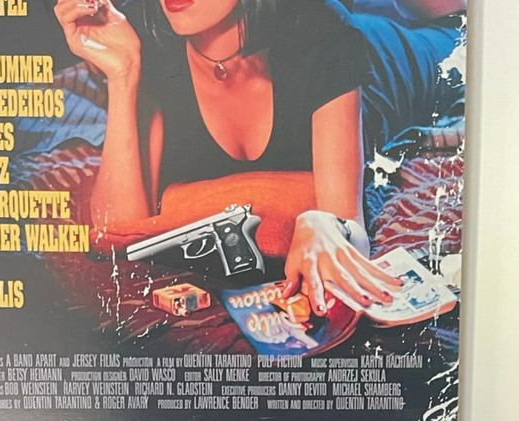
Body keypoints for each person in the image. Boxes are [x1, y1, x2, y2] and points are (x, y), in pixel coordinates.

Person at [52, 0, 460, 316]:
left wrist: (321, 220)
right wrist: (123, 73)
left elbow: (349, 230)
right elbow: (118, 232)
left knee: (449, 40)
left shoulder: (324, 33)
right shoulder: (150, 43)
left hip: (390, 63)